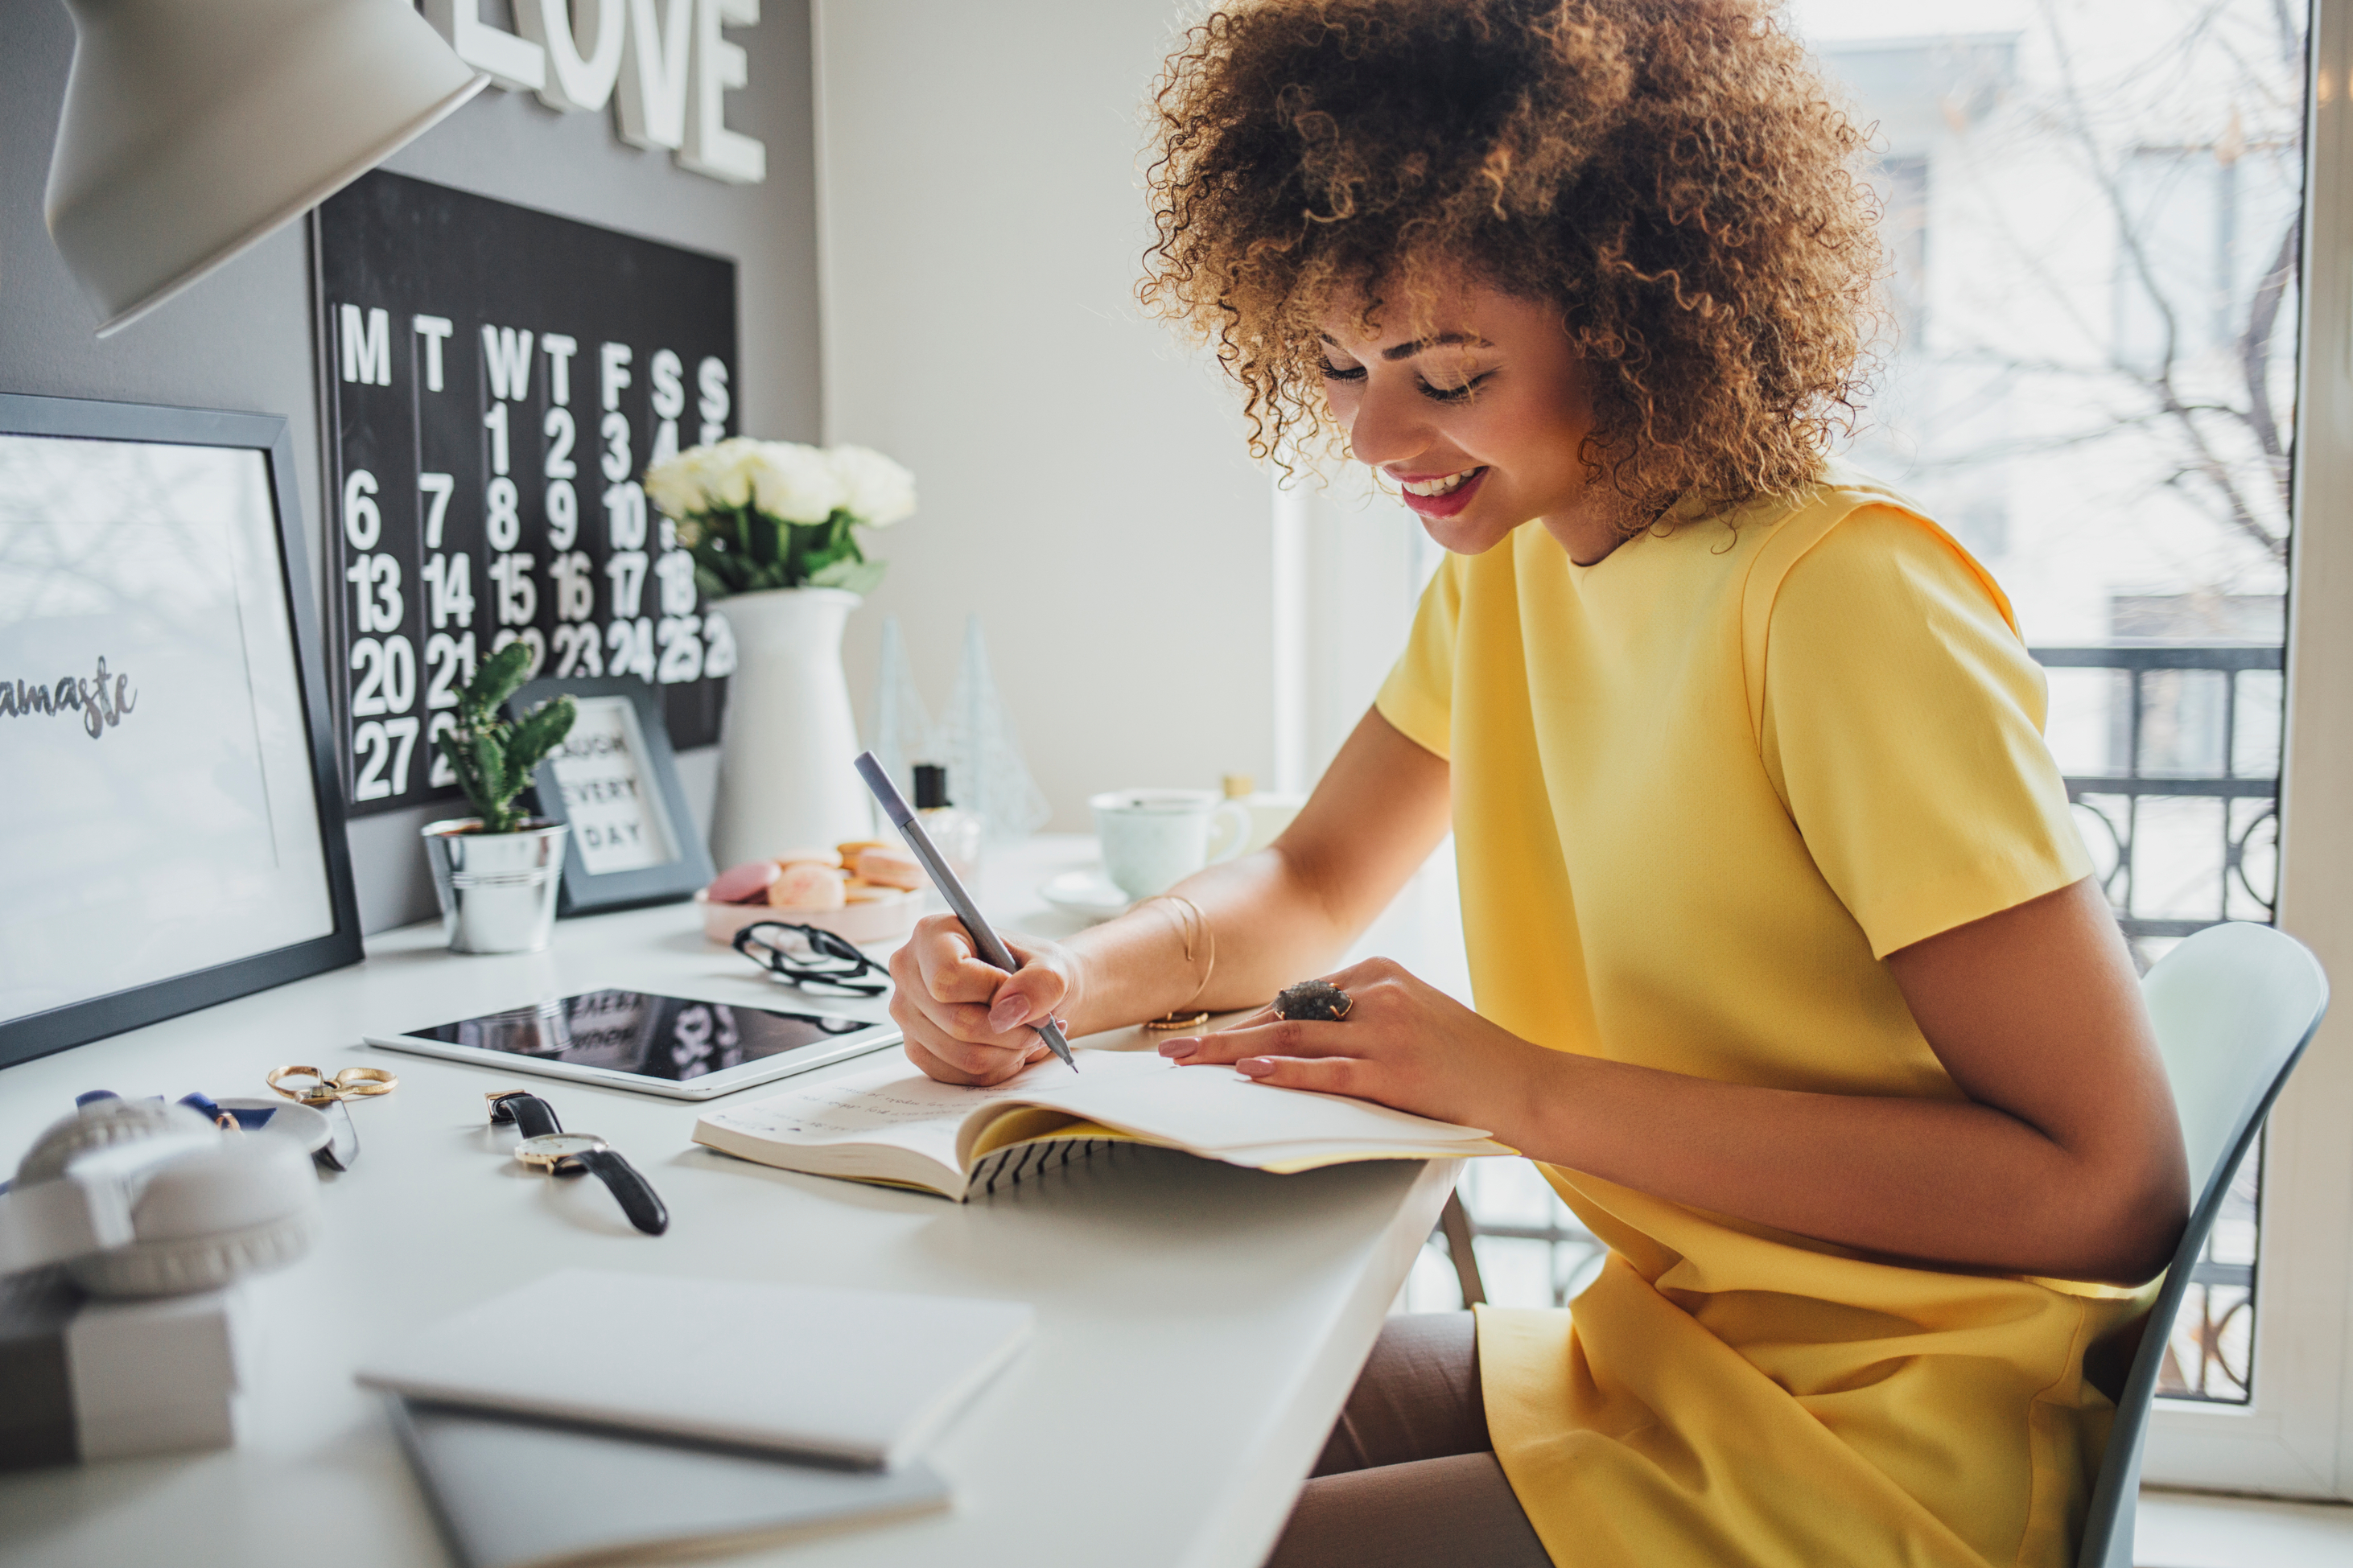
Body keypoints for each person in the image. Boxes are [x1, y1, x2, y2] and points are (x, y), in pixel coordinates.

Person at [888, 2, 2190, 1564]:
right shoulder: (1501, 575)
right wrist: (1057, 982)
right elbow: (1308, 885)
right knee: (1100, 1432)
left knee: (1166, 1529)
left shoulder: (1840, 604)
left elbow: (2108, 1189)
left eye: (1442, 372)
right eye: (1339, 364)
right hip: (1663, 1354)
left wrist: (1513, 1088)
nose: (1374, 434)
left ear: (1639, 309)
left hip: (1881, 1447)